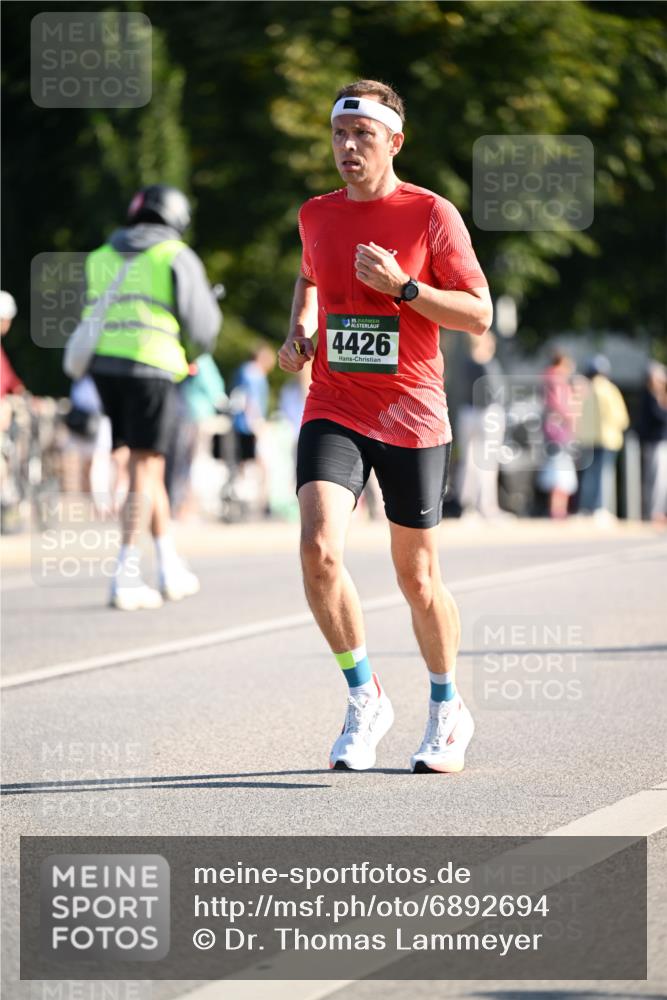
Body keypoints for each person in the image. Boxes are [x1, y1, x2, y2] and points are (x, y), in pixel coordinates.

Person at [278, 80, 492, 773]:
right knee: (318, 549)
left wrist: (406, 288)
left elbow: (478, 313)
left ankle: (444, 707)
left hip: (411, 412)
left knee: (418, 578)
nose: (346, 148)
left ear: (393, 142)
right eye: (338, 136)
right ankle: (364, 694)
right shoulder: (315, 214)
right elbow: (310, 278)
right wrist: (298, 334)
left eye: (361, 137)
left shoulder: (431, 214)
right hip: (334, 404)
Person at [87, 184, 222, 609]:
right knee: (145, 467)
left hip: (106, 368)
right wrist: (193, 353)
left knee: (149, 460)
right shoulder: (175, 255)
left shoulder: (101, 256)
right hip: (153, 367)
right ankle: (125, 573)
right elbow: (202, 326)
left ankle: (168, 566)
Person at [456, 329, 507, 519]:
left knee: (470, 462)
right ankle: (485, 506)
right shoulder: (487, 364)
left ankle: (469, 506)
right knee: (486, 463)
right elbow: (495, 392)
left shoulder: (466, 362)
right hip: (486, 414)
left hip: (469, 413)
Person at [577, 355, 629, 519]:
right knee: (603, 475)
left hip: (587, 439)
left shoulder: (585, 390)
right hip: (607, 438)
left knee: (589, 475)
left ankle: (585, 508)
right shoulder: (608, 389)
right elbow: (621, 417)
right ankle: (599, 508)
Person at [231, 343, 276, 512]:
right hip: (249, 425)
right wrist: (257, 423)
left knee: (244, 464)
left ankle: (252, 503)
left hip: (242, 424)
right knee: (258, 464)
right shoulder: (253, 373)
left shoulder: (245, 371)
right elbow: (250, 400)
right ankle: (261, 504)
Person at [537, 351, 579, 519]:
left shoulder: (549, 379)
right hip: (559, 430)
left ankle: (558, 508)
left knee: (558, 469)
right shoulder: (557, 380)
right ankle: (558, 510)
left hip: (552, 429)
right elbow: (560, 405)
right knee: (560, 471)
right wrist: (570, 417)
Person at [637, 361, 667, 523]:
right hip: (655, 442)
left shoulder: (658, 394)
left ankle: (659, 512)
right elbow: (660, 416)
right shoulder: (650, 395)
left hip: (660, 442)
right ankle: (654, 513)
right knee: (655, 479)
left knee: (661, 480)